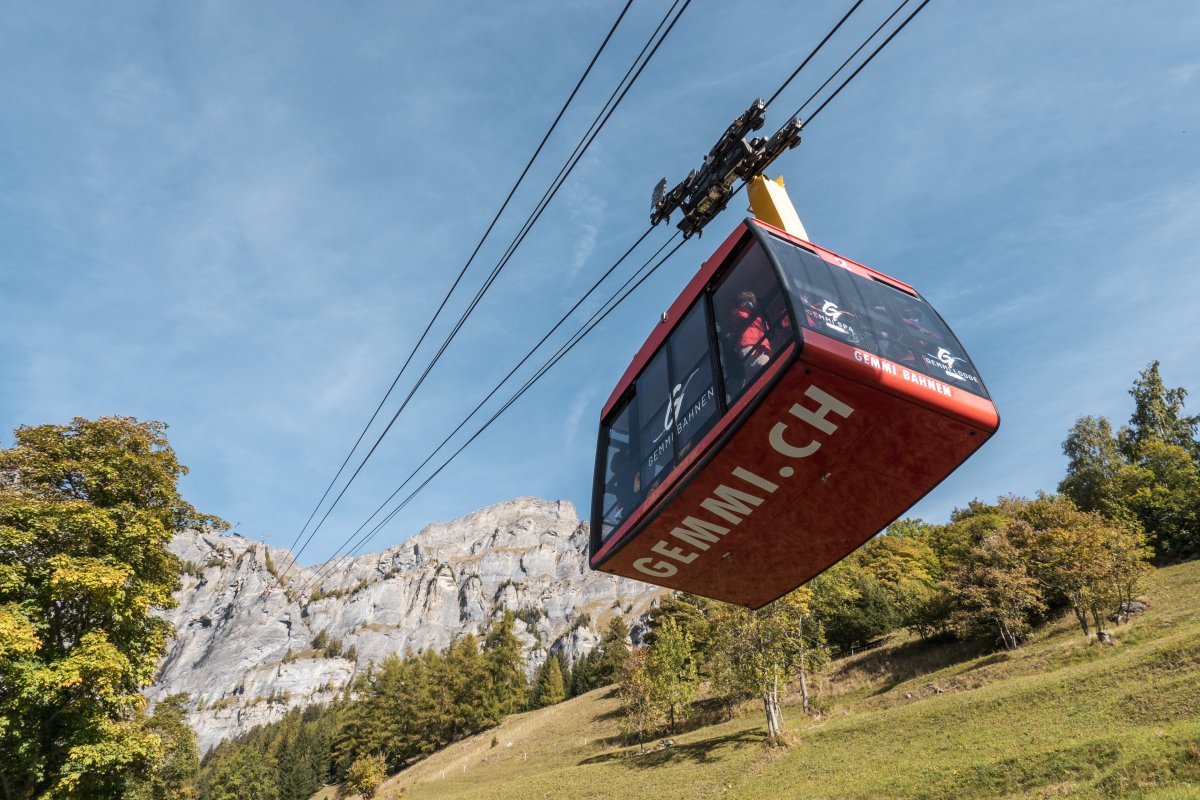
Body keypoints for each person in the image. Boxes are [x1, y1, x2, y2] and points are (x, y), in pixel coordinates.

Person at [730, 290, 772, 371]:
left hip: (762, 342)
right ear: (740, 303)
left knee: (766, 366)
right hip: (747, 342)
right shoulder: (737, 313)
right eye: (746, 300)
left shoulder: (758, 316)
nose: (749, 303)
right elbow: (739, 319)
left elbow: (765, 328)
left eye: (750, 301)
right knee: (751, 369)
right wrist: (747, 310)